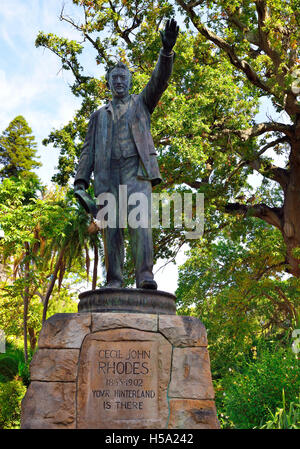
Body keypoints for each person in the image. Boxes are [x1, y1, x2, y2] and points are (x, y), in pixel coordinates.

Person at [74, 18, 179, 289]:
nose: (119, 81)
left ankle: (145, 276)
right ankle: (114, 280)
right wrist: (80, 182)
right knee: (112, 229)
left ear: (130, 82)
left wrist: (166, 52)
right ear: (108, 83)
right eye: (114, 78)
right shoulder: (98, 116)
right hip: (107, 174)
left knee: (141, 223)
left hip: (136, 171)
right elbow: (87, 150)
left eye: (123, 78)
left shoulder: (142, 103)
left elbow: (159, 79)